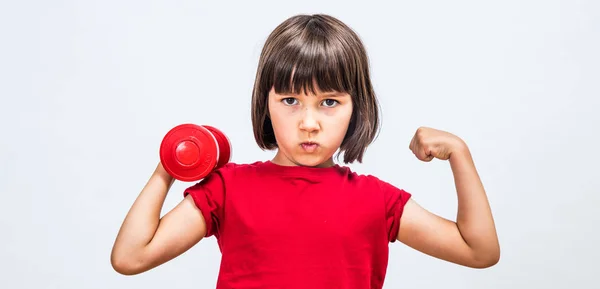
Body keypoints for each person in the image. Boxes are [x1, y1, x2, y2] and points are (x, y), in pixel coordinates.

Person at [110, 14, 500, 288]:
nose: (308, 122)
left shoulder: (376, 199)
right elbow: (131, 258)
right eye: (291, 100)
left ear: (356, 107)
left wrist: (460, 154)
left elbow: (478, 251)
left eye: (329, 102)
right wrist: (171, 164)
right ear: (266, 103)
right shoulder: (227, 188)